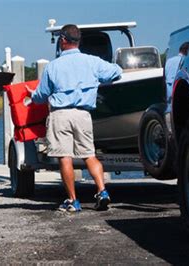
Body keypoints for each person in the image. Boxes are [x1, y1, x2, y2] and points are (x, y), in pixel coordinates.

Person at [31, 24, 122, 212]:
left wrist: (31, 95)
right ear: (79, 41)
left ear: (63, 40)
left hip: (61, 114)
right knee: (89, 155)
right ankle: (102, 191)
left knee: (65, 157)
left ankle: (73, 200)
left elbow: (41, 96)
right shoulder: (92, 61)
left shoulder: (53, 66)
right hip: (83, 114)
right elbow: (116, 72)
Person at [164, 41, 189, 110]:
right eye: (188, 50)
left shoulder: (169, 61)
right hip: (179, 92)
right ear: (186, 50)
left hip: (169, 91)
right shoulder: (184, 60)